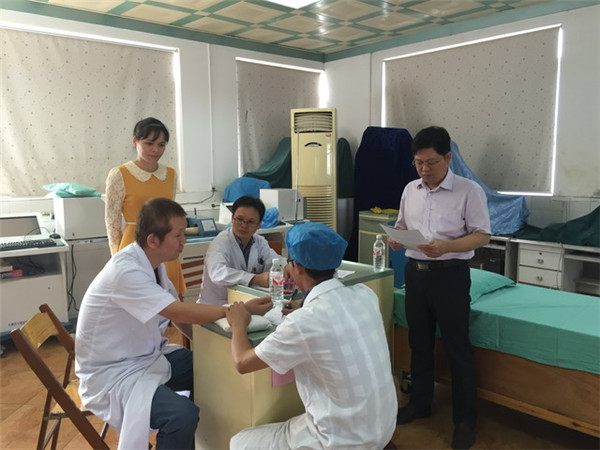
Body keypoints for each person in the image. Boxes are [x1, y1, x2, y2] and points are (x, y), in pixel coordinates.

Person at [75, 198, 271, 450]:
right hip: (114, 373)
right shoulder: (126, 271)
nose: (184, 241)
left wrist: (205, 345)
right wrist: (236, 311)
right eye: (178, 235)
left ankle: (207, 442)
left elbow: (175, 314)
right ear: (153, 240)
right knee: (180, 415)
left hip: (144, 357)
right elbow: (175, 310)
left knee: (211, 368)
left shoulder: (152, 266)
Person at [226, 221, 397, 450]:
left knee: (239, 442)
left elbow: (242, 362)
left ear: (296, 266)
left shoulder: (304, 321)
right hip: (383, 427)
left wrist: (239, 322)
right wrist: (305, 305)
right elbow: (333, 316)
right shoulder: (365, 294)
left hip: (341, 441)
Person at [388, 126, 491, 450]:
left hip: (450, 275)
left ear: (447, 158)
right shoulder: (411, 190)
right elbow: (403, 225)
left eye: (431, 162)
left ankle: (464, 422)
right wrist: (396, 238)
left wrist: (446, 247)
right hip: (416, 275)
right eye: (418, 163)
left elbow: (482, 235)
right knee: (418, 344)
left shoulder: (468, 191)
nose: (424, 169)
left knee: (458, 348)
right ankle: (420, 403)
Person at [105, 117, 186, 297]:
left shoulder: (170, 174)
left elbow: (169, 214)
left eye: (161, 145)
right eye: (149, 143)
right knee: (138, 299)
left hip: (166, 245)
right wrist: (117, 257)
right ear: (135, 141)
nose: (155, 149)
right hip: (134, 244)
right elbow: (112, 221)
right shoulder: (119, 174)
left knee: (169, 301)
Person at [197, 195, 282, 305]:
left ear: (259, 225)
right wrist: (254, 278)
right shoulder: (220, 242)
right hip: (217, 306)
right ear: (232, 219)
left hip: (246, 302)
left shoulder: (259, 241)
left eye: (250, 222)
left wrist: (286, 268)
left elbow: (274, 260)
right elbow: (217, 273)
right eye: (240, 219)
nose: (244, 225)